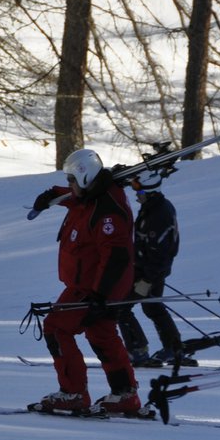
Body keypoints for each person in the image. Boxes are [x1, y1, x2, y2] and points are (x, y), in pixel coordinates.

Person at [29, 148, 140, 414]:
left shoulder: (107, 211)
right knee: (101, 333)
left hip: (94, 288)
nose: (69, 185)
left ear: (86, 178)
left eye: (71, 179)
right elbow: (77, 199)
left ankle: (73, 393)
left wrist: (100, 296)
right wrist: (53, 196)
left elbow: (116, 257)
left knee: (56, 328)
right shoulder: (92, 195)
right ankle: (125, 395)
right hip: (91, 286)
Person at [116, 167, 188, 368]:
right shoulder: (152, 207)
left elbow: (161, 253)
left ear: (151, 192)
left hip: (151, 271)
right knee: (153, 306)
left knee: (120, 307)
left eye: (139, 193)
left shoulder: (159, 213)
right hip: (145, 269)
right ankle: (173, 348)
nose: (137, 197)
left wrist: (147, 280)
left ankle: (138, 351)